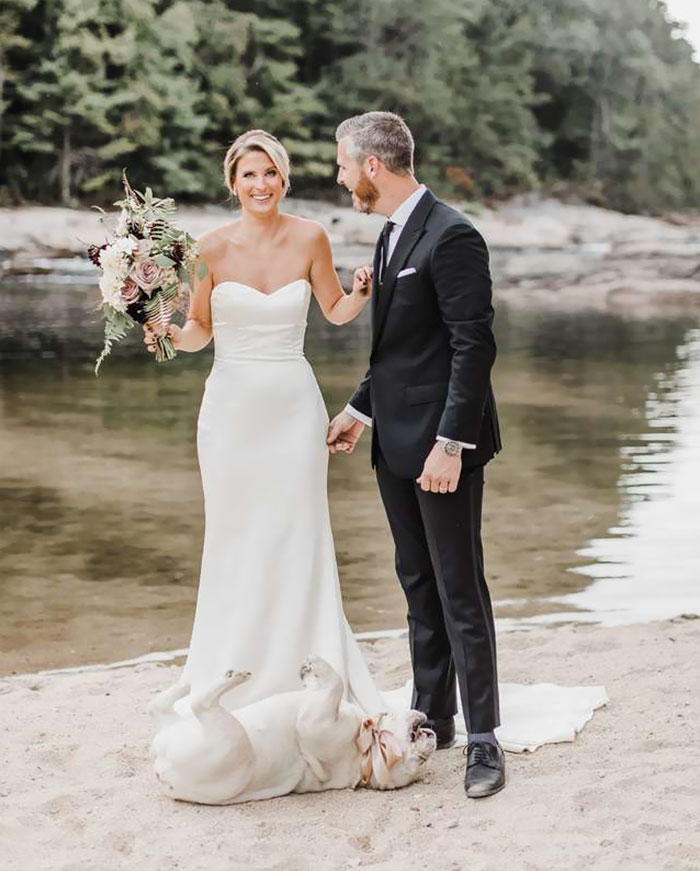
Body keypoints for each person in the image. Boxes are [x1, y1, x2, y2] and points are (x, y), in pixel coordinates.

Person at [143, 129, 385, 715]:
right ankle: (227, 665)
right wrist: (167, 333)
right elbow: (199, 330)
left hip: (293, 409)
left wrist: (360, 292)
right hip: (230, 412)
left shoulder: (311, 236)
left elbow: (334, 310)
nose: (261, 184)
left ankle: (306, 663)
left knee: (296, 531)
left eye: (270, 173)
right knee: (234, 533)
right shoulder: (208, 248)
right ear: (233, 182)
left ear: (284, 178)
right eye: (249, 175)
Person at [327, 112, 506, 798]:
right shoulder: (387, 235)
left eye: (344, 164)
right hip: (391, 444)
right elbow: (397, 351)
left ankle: (486, 738)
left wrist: (451, 445)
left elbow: (472, 347)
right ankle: (436, 714)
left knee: (461, 589)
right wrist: (356, 409)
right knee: (417, 584)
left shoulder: (454, 234)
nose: (340, 176)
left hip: (441, 450)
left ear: (373, 166)